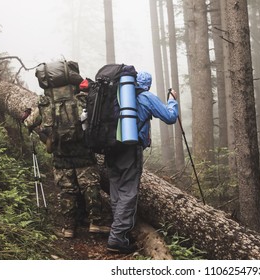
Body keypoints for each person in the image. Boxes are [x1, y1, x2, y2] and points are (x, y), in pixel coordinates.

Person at [105, 71, 179, 254]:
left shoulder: (115, 96)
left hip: (110, 147)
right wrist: (172, 100)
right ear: (147, 84)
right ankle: (116, 238)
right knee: (128, 193)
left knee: (116, 189)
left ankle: (120, 231)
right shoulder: (146, 96)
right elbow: (170, 117)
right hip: (130, 149)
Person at [23, 90, 109, 238]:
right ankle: (96, 223)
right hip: (84, 154)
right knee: (90, 187)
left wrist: (26, 116)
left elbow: (29, 123)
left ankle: (69, 228)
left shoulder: (46, 103)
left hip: (61, 156)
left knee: (67, 191)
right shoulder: (81, 99)